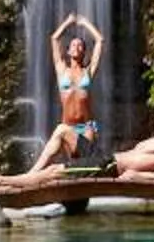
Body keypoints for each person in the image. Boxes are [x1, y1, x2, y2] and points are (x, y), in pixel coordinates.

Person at [13, 13, 105, 179]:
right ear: (68, 51)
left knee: (76, 155)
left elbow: (100, 41)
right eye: (73, 45)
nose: (76, 47)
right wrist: (68, 22)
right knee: (69, 161)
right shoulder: (62, 70)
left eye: (80, 45)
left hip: (86, 128)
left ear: (84, 51)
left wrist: (85, 24)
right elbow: (54, 39)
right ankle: (31, 177)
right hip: (68, 126)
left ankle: (29, 176)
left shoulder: (88, 72)